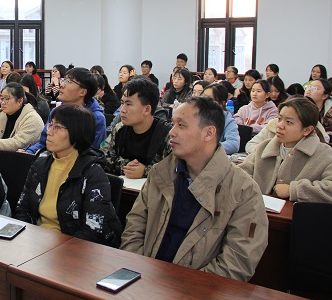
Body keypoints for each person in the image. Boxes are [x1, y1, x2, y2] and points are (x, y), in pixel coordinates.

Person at [120, 97, 268, 282]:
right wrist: (138, 270)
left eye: (181, 125)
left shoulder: (244, 191)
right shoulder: (161, 173)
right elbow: (134, 226)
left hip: (197, 289)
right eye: (172, 124)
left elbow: (237, 263)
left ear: (209, 133)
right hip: (144, 278)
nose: (171, 132)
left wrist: (183, 286)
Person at [14, 104, 122, 247]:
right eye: (50, 125)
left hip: (70, 247)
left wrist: (57, 249)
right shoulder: (41, 162)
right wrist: (24, 240)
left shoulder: (92, 172)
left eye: (57, 127)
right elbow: (23, 209)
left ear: (77, 133)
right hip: (36, 240)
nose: (49, 132)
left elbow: (93, 230)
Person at [239, 97, 332, 202]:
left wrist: (293, 190)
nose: (279, 125)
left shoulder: (324, 154)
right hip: (258, 209)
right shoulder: (264, 147)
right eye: (279, 119)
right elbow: (241, 175)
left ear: (307, 130)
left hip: (297, 212)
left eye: (288, 122)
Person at [24, 67, 107, 154]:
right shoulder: (56, 111)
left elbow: (90, 153)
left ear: (82, 92)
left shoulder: (96, 118)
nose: (62, 85)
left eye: (69, 81)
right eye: (64, 80)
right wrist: (29, 152)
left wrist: (47, 154)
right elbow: (43, 142)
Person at [101, 78, 171, 178]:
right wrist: (126, 166)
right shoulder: (120, 128)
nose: (122, 110)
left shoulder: (167, 134)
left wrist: (145, 171)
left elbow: (176, 168)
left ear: (147, 109)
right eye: (122, 103)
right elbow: (102, 156)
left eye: (128, 104)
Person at [0, 83, 44, 151]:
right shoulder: (1, 115)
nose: (2, 102)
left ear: (20, 101)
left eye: (7, 99)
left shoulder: (33, 119)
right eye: (2, 98)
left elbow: (16, 144)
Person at [201, 83, 240, 154]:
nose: (203, 102)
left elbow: (233, 144)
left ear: (221, 103)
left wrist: (206, 147)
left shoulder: (227, 119)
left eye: (209, 99)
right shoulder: (193, 114)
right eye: (202, 97)